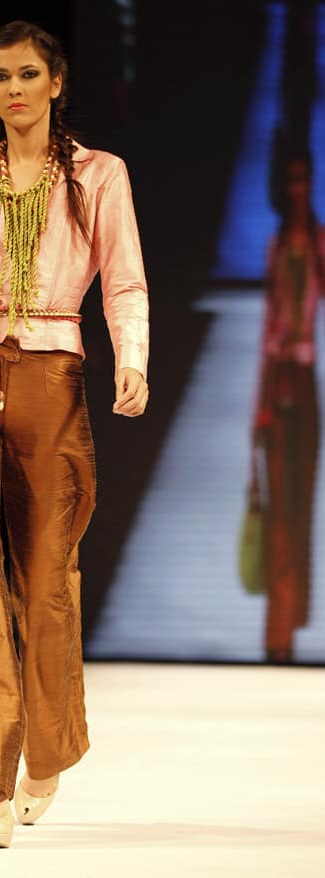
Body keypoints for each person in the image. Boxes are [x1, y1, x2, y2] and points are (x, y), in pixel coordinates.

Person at [0, 20, 149, 848]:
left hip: (52, 371)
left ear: (56, 84)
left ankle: (46, 751)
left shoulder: (96, 176)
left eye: (26, 75)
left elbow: (124, 281)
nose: (12, 89)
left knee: (45, 577)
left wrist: (135, 361)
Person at [252, 147, 325, 664]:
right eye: (292, 181)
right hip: (280, 378)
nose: (299, 190)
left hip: (305, 379)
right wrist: (261, 400)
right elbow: (270, 325)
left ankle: (291, 625)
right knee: (280, 509)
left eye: (305, 180)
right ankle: (277, 634)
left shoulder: (316, 243)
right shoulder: (278, 245)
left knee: (300, 509)